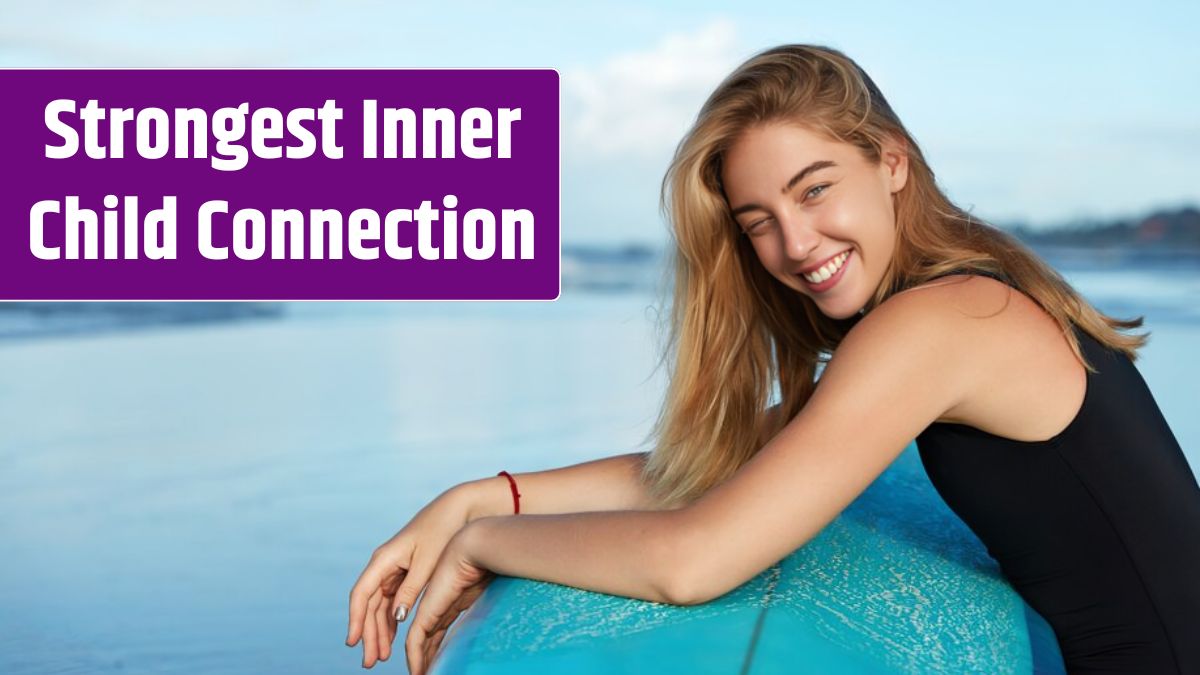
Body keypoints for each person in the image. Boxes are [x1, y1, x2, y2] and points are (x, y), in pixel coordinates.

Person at [346, 45, 1200, 674]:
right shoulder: (963, 289)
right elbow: (721, 463)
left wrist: (489, 542)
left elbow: (692, 562)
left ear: (891, 162)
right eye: (758, 219)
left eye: (815, 188)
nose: (795, 243)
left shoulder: (939, 324)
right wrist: (482, 494)